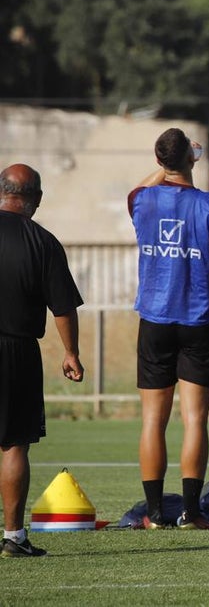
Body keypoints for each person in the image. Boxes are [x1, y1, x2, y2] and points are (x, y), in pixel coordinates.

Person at [128, 130, 209, 530]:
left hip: (155, 320)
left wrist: (168, 165)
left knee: (152, 421)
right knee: (194, 419)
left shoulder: (141, 200)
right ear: (192, 159)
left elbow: (145, 185)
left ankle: (155, 513)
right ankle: (192, 513)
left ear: (159, 160)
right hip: (199, 321)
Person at [0, 164, 85, 557]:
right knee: (14, 445)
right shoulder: (43, 241)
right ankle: (14, 537)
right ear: (35, 198)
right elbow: (63, 308)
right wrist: (71, 353)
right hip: (16, 350)